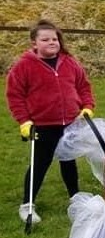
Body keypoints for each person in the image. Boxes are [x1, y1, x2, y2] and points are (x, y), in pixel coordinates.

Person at [5, 19, 95, 224]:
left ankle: (75, 198)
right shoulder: (24, 66)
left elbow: (84, 87)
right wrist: (24, 121)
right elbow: (15, 96)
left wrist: (87, 106)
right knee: (39, 163)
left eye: (54, 39)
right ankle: (27, 205)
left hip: (70, 123)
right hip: (42, 125)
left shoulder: (70, 62)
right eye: (45, 39)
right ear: (34, 43)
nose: (51, 42)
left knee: (69, 161)